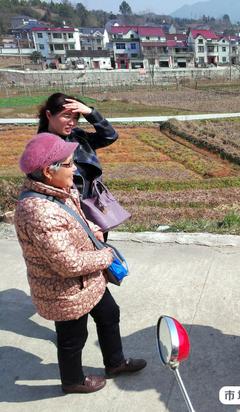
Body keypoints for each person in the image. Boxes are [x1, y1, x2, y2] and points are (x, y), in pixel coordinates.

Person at [14, 133, 146, 394]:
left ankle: (115, 362)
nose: (74, 168)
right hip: (64, 289)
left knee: (109, 314)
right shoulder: (38, 211)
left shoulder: (61, 190)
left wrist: (92, 229)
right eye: (69, 163)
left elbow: (75, 219)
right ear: (47, 171)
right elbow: (67, 263)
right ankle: (73, 381)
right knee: (73, 338)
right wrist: (106, 256)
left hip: (89, 279)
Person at [38, 93, 119, 237]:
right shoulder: (42, 146)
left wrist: (90, 113)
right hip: (69, 213)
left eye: (75, 117)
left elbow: (109, 136)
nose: (72, 122)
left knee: (99, 252)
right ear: (49, 115)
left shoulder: (78, 136)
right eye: (66, 116)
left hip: (94, 207)